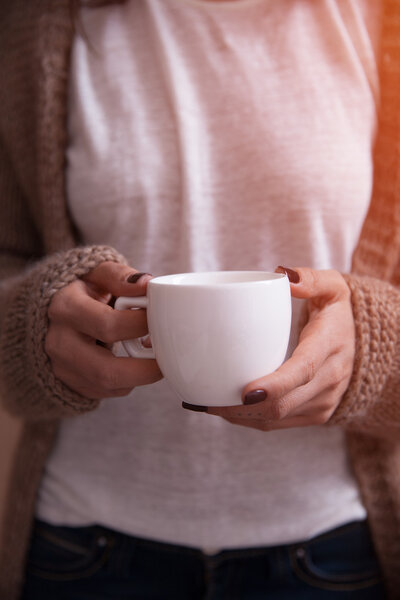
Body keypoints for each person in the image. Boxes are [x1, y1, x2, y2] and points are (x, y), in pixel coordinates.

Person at [0, 0, 399, 598]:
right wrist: (31, 328)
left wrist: (376, 351)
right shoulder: (36, 20)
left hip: (331, 549)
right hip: (83, 547)